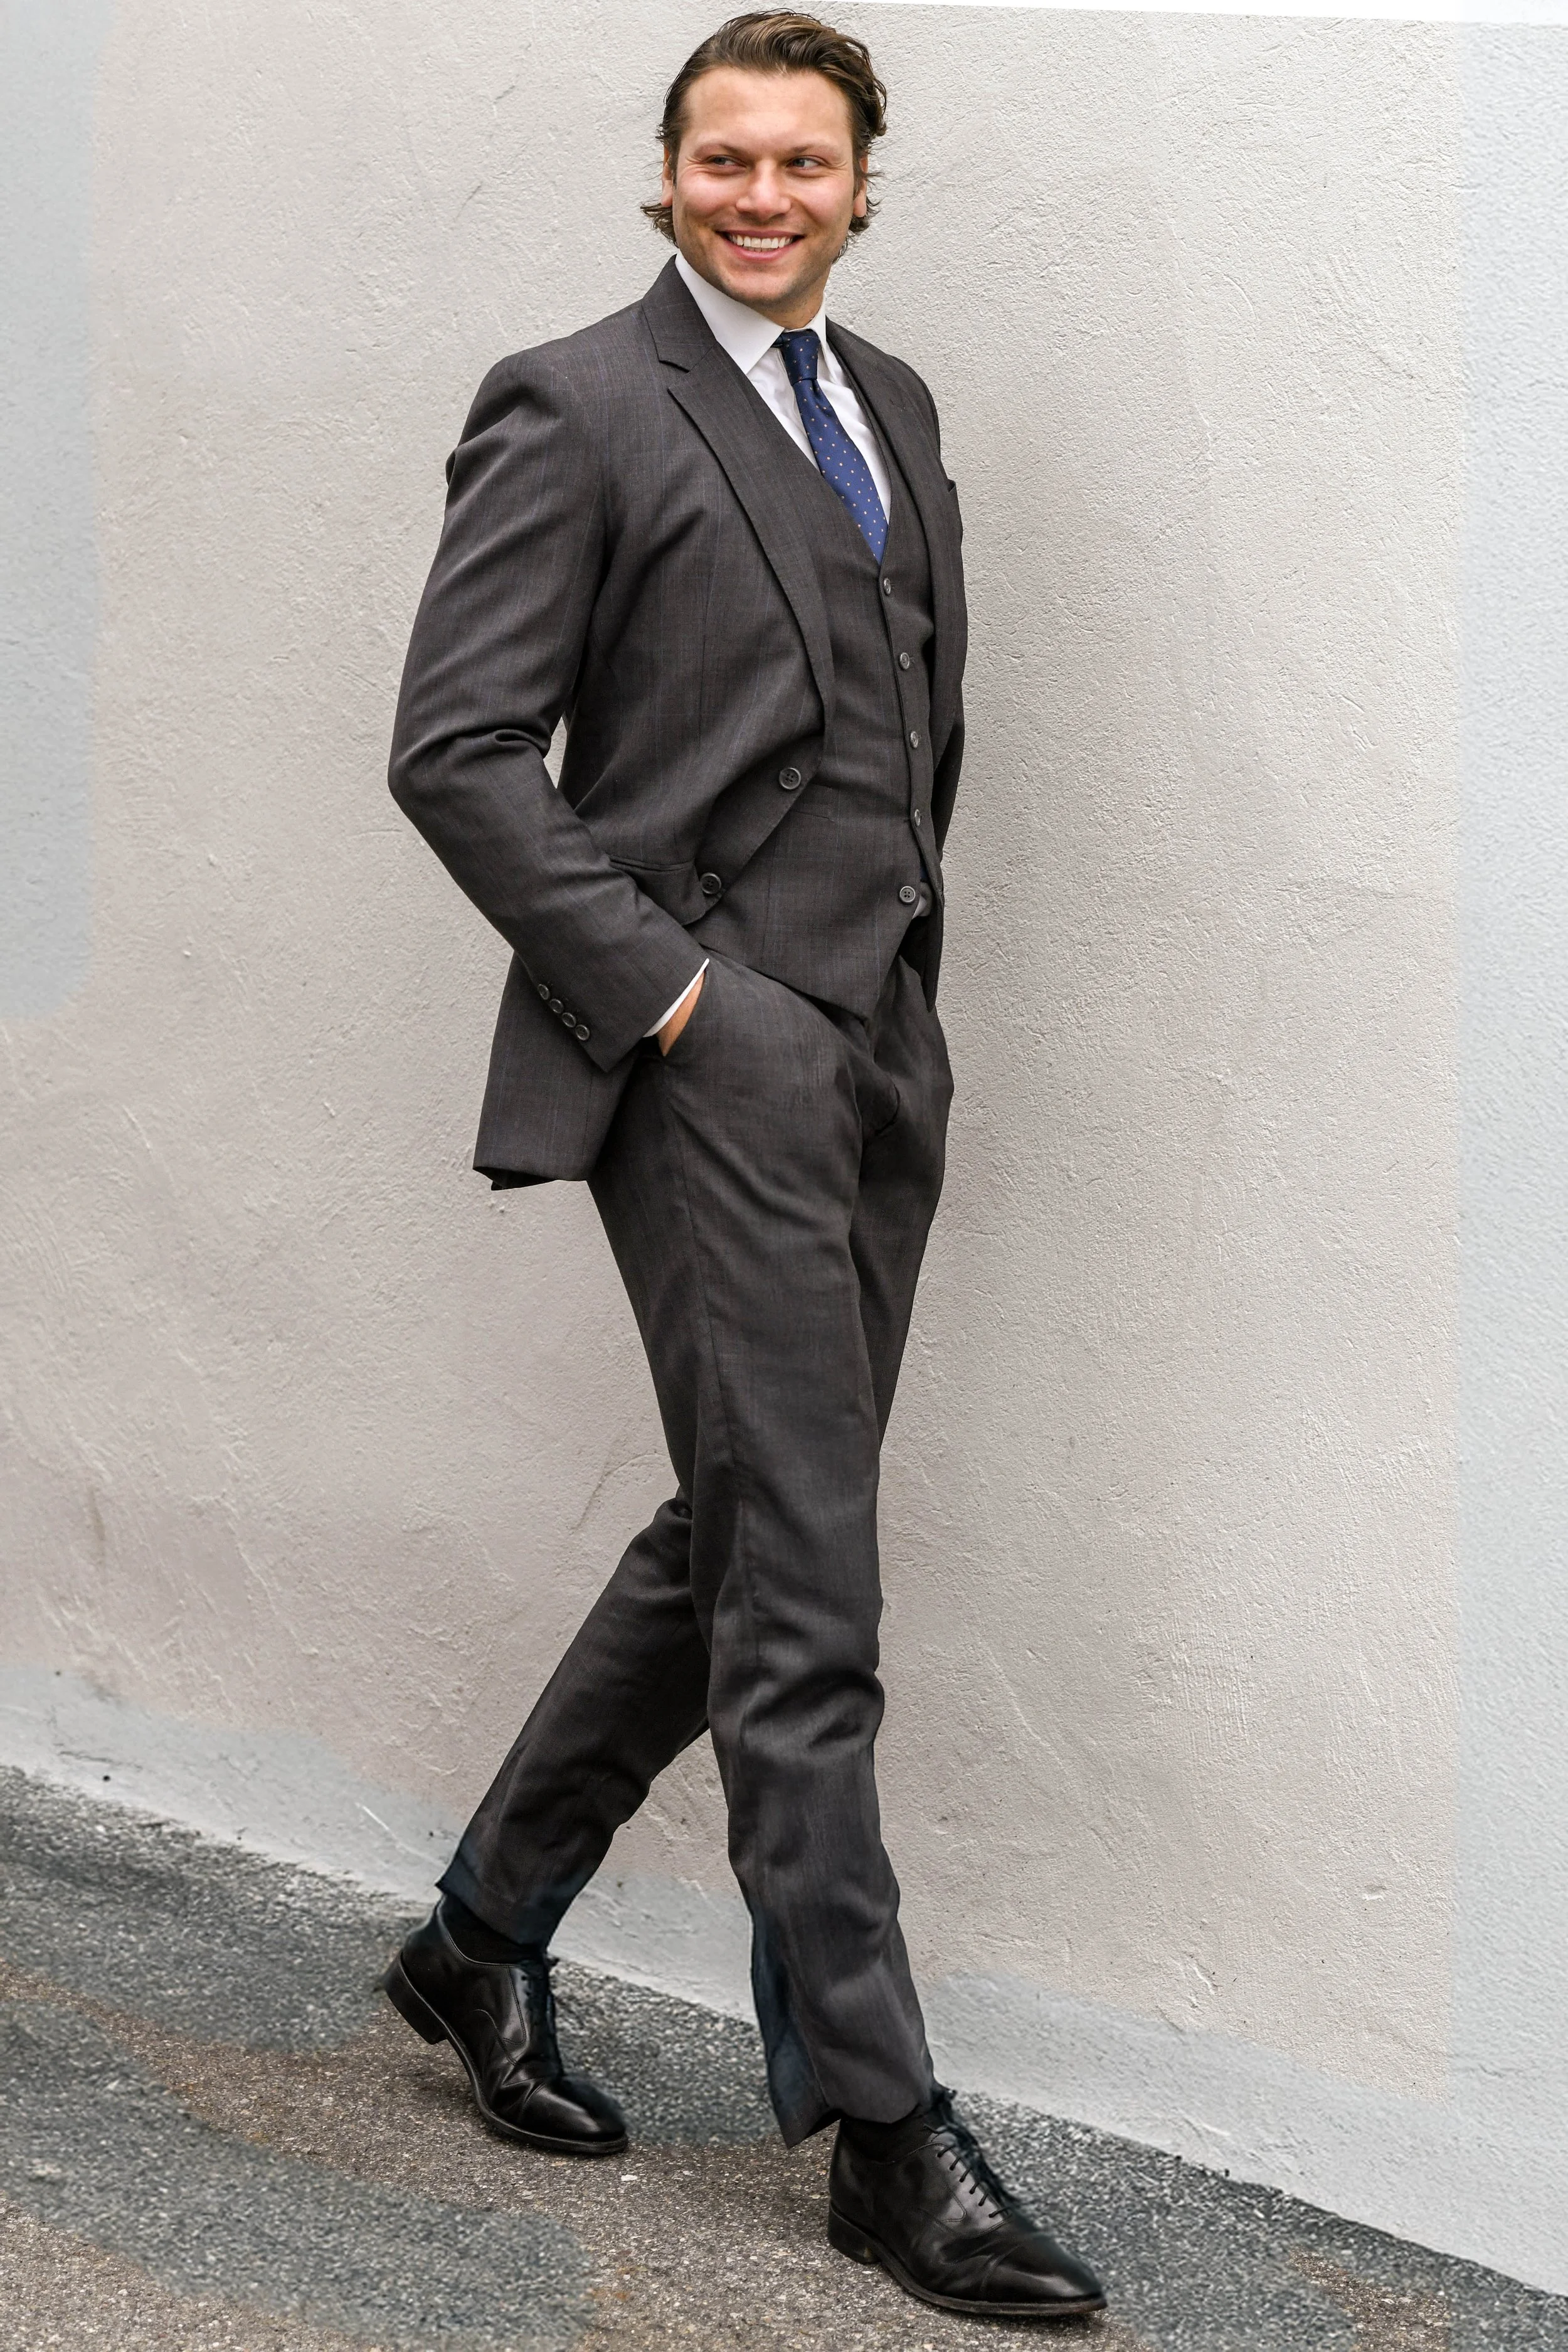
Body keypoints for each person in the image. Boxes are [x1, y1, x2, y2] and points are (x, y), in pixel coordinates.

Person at [384, 10, 1105, 2323]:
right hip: (711, 1063)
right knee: (809, 1590)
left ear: (864, 181)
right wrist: (686, 1004)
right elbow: (461, 749)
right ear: (666, 174)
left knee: (745, 1525)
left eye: (803, 163)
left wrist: (877, 1002)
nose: (760, 196)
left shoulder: (886, 406)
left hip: (877, 1052)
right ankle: (885, 2130)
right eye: (722, 160)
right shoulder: (576, 400)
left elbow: (908, 725)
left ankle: (481, 1927)